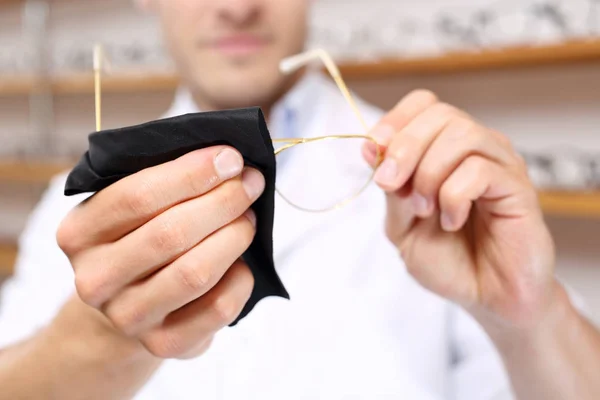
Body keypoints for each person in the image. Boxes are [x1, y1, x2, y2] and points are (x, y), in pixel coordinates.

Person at [1, 0, 599, 399]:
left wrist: (533, 314)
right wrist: (98, 340)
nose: (237, 7)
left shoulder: (439, 195)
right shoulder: (74, 208)